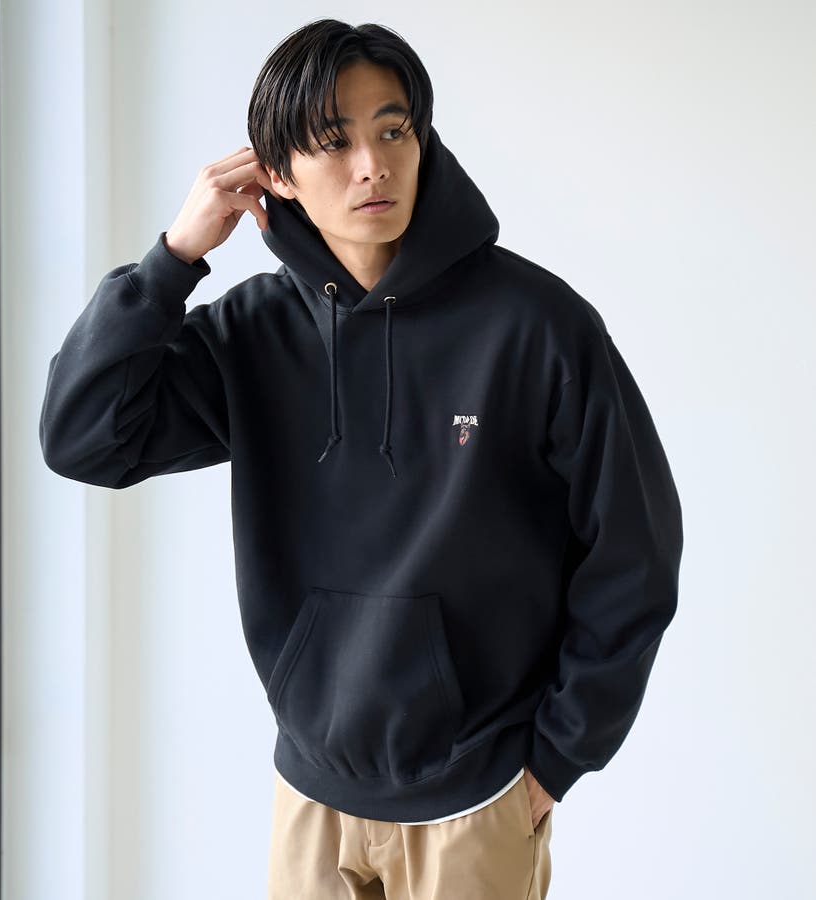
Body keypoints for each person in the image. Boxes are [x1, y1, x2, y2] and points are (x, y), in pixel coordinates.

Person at [39, 18, 684, 900]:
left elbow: (635, 550)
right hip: (310, 793)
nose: (373, 165)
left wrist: (559, 758)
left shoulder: (536, 327)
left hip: (478, 797)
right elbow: (83, 437)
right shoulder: (255, 332)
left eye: (394, 130)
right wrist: (171, 261)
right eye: (335, 141)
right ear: (275, 171)